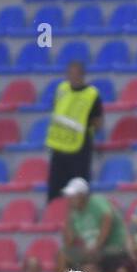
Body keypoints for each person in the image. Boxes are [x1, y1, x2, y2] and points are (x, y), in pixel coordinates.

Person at [45, 60, 103, 205]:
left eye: (76, 74)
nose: (72, 77)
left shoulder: (91, 94)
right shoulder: (62, 89)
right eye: (70, 74)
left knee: (79, 189)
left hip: (79, 149)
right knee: (55, 191)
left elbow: (97, 122)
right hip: (59, 148)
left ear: (82, 75)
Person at [59, 177, 131, 272]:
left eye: (73, 196)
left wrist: (97, 246)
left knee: (90, 263)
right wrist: (68, 219)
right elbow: (69, 242)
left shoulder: (96, 202)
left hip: (112, 246)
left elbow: (107, 218)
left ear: (82, 195)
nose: (70, 199)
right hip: (92, 250)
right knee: (62, 255)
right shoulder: (74, 214)